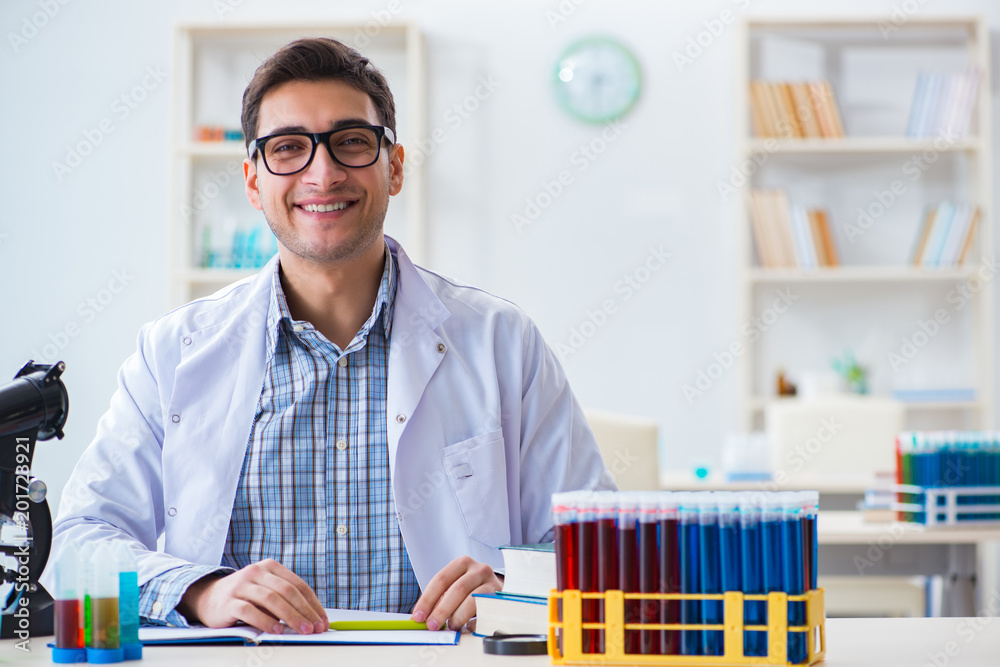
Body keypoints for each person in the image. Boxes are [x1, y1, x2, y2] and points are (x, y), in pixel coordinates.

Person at [48, 37, 614, 636]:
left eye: (350, 142)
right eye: (288, 148)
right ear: (252, 180)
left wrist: (511, 591)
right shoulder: (172, 351)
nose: (323, 173)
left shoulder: (502, 340)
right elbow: (80, 543)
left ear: (393, 167)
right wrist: (201, 591)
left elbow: (598, 545)